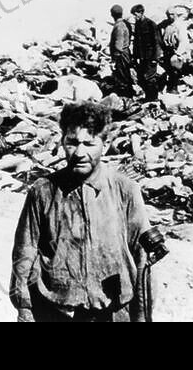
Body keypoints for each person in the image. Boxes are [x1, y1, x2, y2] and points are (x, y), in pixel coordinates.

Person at [10, 101, 151, 322]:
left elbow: (142, 256)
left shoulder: (125, 190)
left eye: (89, 143)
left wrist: (142, 316)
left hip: (113, 311)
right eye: (73, 143)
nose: (80, 152)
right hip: (56, 310)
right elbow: (25, 250)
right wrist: (24, 308)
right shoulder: (43, 191)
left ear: (105, 144)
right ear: (62, 141)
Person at [131, 4, 165, 102]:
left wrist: (156, 58)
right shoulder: (138, 25)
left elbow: (157, 42)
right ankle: (148, 97)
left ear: (141, 13)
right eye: (133, 14)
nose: (134, 16)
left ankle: (153, 98)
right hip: (142, 57)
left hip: (151, 56)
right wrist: (135, 56)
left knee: (150, 78)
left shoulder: (151, 24)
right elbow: (136, 42)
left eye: (135, 14)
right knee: (142, 77)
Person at [158, 7, 191, 91]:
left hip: (176, 50)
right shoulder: (166, 24)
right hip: (167, 50)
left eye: (172, 14)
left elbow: (183, 42)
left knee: (175, 68)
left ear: (176, 14)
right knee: (167, 68)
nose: (170, 16)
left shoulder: (180, 25)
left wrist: (178, 53)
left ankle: (174, 88)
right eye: (168, 15)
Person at [109, 4, 134, 97]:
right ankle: (128, 94)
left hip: (121, 54)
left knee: (122, 75)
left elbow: (118, 44)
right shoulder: (124, 24)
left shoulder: (119, 26)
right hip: (125, 52)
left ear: (112, 15)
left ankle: (125, 96)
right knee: (125, 74)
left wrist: (115, 59)